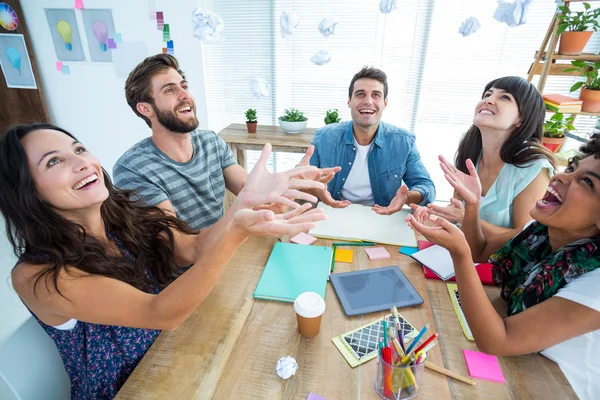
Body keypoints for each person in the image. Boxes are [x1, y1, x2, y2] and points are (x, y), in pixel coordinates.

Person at [0, 123, 327, 399]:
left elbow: (193, 247)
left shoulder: (121, 216)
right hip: (134, 387)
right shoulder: (37, 275)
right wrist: (236, 231)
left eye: (80, 149)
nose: (82, 163)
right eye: (54, 161)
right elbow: (158, 313)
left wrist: (242, 204)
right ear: (26, 191)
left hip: (179, 351)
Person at [407, 136, 600, 400]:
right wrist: (473, 206)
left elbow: (498, 340)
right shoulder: (540, 230)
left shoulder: (595, 282)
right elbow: (482, 250)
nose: (560, 177)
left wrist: (459, 255)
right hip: (520, 363)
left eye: (587, 182)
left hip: (559, 386)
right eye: (572, 168)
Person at [113, 54, 338, 229]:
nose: (185, 95)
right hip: (186, 275)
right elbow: (180, 247)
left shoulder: (210, 142)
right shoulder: (133, 169)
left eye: (184, 85)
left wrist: (292, 182)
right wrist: (238, 219)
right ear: (146, 108)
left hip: (228, 248)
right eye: (170, 90)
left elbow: (253, 194)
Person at [424, 76, 555, 251]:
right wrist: (432, 216)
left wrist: (467, 219)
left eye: (505, 97)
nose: (489, 100)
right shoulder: (469, 146)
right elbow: (458, 206)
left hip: (500, 264)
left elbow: (525, 237)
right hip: (461, 251)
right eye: (487, 94)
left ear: (521, 119)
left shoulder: (533, 166)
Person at [302, 66, 435, 215]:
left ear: (385, 103)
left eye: (376, 95)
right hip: (333, 213)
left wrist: (406, 197)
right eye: (360, 94)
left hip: (382, 215)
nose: (368, 101)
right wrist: (314, 188)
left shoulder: (404, 142)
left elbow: (426, 187)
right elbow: (301, 179)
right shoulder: (324, 137)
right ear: (349, 101)